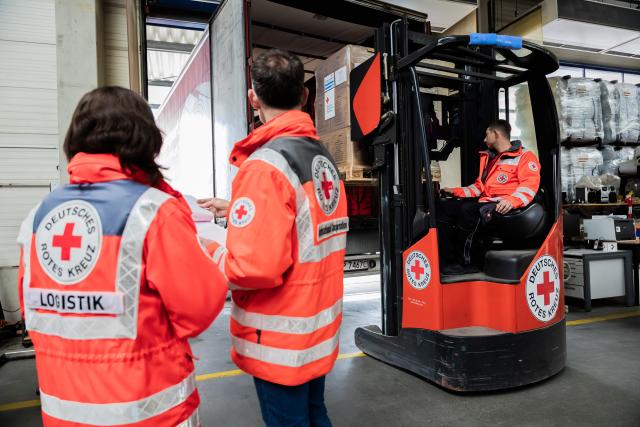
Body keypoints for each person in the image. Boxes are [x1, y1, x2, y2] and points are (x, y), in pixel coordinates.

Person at [16, 87, 228, 427]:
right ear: (145, 139)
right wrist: (209, 252)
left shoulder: (38, 217)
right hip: (150, 413)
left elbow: (33, 311)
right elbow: (198, 310)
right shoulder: (153, 212)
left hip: (63, 414)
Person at [200, 49, 348, 427]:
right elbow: (300, 221)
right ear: (304, 96)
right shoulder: (321, 158)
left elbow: (251, 269)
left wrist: (208, 249)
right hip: (316, 326)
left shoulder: (264, 167)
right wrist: (236, 207)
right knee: (316, 414)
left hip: (280, 338)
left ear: (253, 98)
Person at [439, 120, 541, 275]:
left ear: (496, 134)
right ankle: (446, 259)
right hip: (487, 202)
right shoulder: (491, 160)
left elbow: (529, 185)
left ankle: (468, 263)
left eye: (487, 134)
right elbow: (479, 187)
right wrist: (454, 192)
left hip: (505, 204)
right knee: (445, 207)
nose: (484, 139)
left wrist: (511, 201)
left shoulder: (525, 156)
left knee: (468, 211)